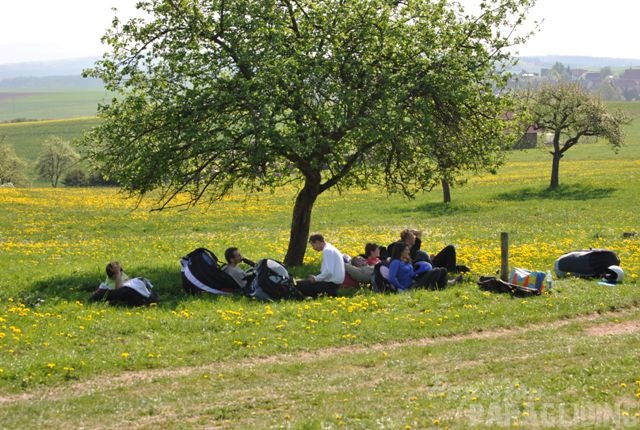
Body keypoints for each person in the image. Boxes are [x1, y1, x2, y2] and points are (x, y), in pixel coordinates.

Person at [386, 229, 469, 273]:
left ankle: (452, 268)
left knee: (450, 248)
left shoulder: (415, 245)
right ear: (408, 239)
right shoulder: (398, 248)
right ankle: (452, 269)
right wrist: (406, 235)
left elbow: (419, 233)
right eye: (412, 237)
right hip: (426, 268)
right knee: (451, 252)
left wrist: (408, 231)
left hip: (430, 263)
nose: (415, 238)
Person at [89, 261, 158, 306]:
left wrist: (118, 272)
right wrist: (117, 272)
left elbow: (123, 285)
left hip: (139, 290)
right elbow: (119, 288)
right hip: (141, 293)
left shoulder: (124, 281)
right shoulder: (111, 283)